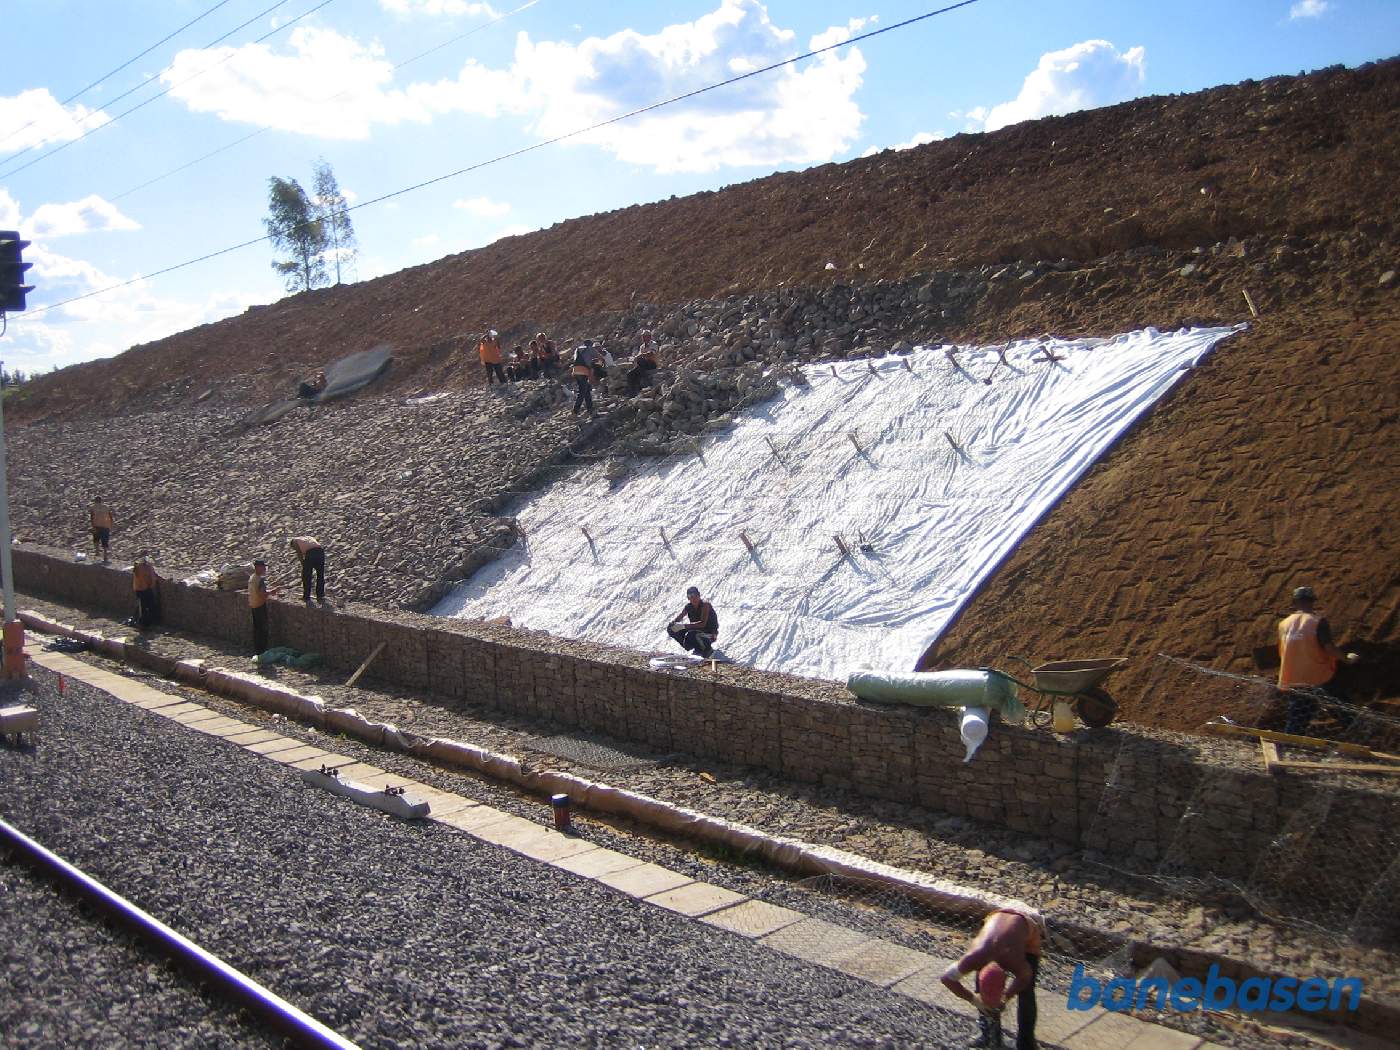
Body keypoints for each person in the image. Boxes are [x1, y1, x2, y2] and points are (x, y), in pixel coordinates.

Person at [940, 903, 1044, 1049]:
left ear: (1004, 984)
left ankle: (1026, 1044)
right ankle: (988, 1036)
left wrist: (1006, 996)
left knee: (1026, 992)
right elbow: (946, 978)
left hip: (1026, 923)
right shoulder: (974, 958)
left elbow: (1024, 977)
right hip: (996, 919)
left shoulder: (1014, 960)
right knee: (981, 979)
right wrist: (974, 1000)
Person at [1278, 585, 1358, 734]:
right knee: (1342, 707)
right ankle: (1356, 735)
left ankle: (1289, 744)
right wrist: (1347, 659)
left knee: (1298, 716)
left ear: (1294, 602)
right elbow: (1329, 648)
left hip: (1294, 677)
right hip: (1318, 675)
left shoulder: (1283, 624)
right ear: (1312, 602)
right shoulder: (1317, 621)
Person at [667, 586, 719, 657]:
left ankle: (708, 650)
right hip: (696, 632)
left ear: (699, 595)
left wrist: (683, 626)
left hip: (709, 634)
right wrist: (673, 624)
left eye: (695, 595)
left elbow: (702, 624)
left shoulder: (705, 605)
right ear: (688, 598)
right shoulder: (688, 607)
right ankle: (692, 647)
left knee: (692, 634)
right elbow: (679, 617)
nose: (693, 598)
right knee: (671, 629)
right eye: (690, 596)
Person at [290, 536, 326, 605]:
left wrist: (303, 565)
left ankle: (306, 596)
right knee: (320, 575)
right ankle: (320, 595)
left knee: (306, 576)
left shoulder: (295, 541)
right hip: (320, 552)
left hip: (311, 553)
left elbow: (299, 554)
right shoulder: (308, 538)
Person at [132, 553, 160, 629]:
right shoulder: (147, 568)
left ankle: (142, 623)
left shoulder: (137, 568)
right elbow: (153, 579)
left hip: (139, 589)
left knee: (143, 606)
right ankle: (145, 623)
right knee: (149, 606)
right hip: (145, 589)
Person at [571, 340, 598, 418]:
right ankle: (575, 410)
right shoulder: (591, 349)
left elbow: (575, 360)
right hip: (584, 371)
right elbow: (597, 359)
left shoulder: (578, 349)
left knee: (587, 390)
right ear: (591, 344)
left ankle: (590, 409)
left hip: (576, 370)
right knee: (583, 391)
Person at [249, 559, 271, 655]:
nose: (265, 568)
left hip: (253, 605)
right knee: (263, 629)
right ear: (258, 567)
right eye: (263, 566)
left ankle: (257, 649)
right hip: (260, 605)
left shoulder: (252, 578)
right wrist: (273, 591)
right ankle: (263, 650)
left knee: (256, 628)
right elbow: (263, 594)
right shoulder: (260, 579)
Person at [89, 496, 115, 561]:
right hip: (106, 526)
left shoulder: (93, 507)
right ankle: (105, 556)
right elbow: (110, 516)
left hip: (96, 526)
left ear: (95, 501)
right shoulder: (106, 507)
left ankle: (97, 552)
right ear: (101, 501)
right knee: (105, 541)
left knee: (96, 539)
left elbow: (92, 517)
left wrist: (92, 526)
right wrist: (111, 525)